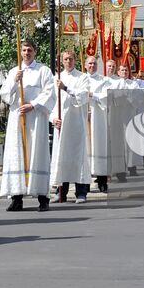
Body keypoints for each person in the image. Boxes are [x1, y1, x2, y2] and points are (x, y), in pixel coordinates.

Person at [1, 39, 54, 212]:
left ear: (35, 51)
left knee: (36, 154)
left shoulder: (43, 71)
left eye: (29, 50)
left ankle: (42, 198)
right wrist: (14, 82)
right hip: (18, 118)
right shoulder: (14, 71)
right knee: (17, 155)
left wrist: (33, 105)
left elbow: (49, 93)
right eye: (24, 50)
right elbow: (5, 95)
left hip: (36, 118)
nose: (26, 53)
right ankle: (17, 197)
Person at [50, 49, 92, 203]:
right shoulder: (56, 78)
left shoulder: (82, 77)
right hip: (61, 124)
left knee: (77, 157)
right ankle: (61, 192)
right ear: (62, 61)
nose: (68, 62)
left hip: (76, 124)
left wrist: (66, 88)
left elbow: (83, 96)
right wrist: (53, 118)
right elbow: (51, 102)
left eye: (71, 59)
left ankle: (81, 192)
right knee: (62, 157)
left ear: (75, 60)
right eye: (66, 59)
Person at [84, 53, 113, 192]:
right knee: (85, 149)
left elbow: (108, 95)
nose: (92, 66)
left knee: (99, 148)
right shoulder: (81, 79)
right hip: (84, 117)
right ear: (85, 65)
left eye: (94, 63)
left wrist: (93, 95)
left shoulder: (104, 80)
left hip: (99, 118)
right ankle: (84, 184)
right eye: (89, 63)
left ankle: (102, 182)